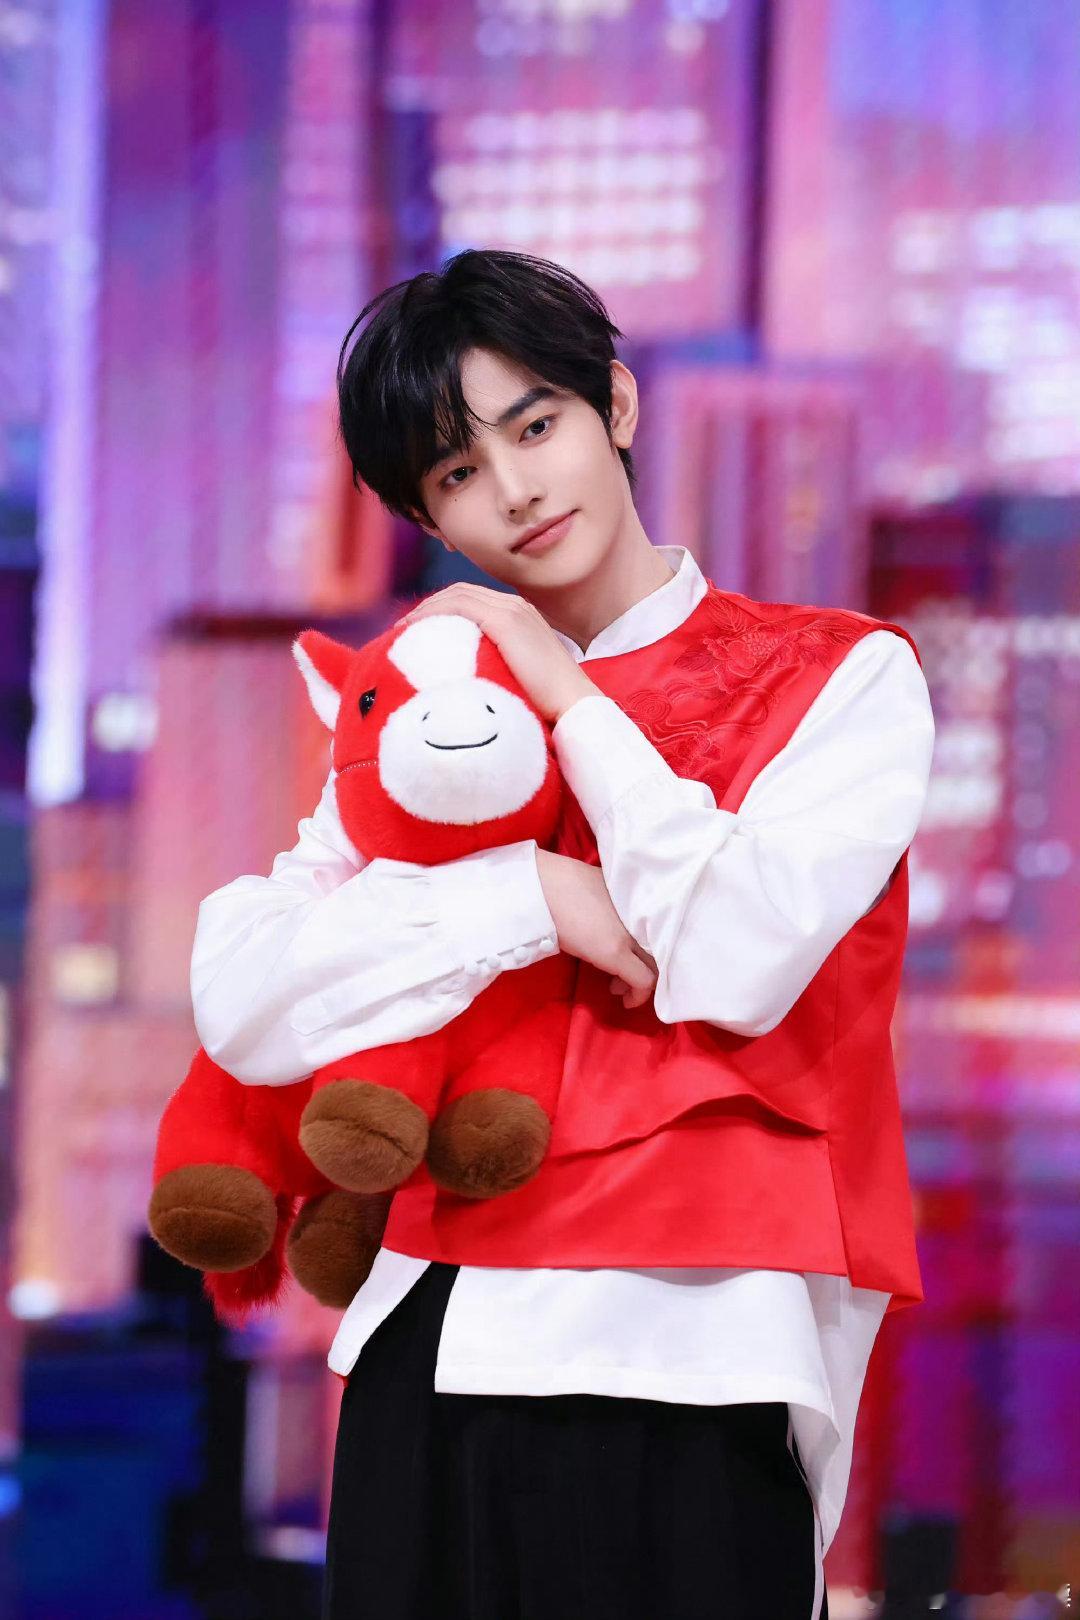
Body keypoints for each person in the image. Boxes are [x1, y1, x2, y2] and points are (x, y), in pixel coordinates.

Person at [190, 249, 936, 1619]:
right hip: (427, 1345)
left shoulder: (843, 674)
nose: (517, 489)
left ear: (618, 408)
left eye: (536, 427)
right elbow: (247, 998)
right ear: (427, 514)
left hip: (694, 1342)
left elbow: (739, 957)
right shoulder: (425, 717)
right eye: (458, 471)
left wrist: (567, 694)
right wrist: (531, 898)